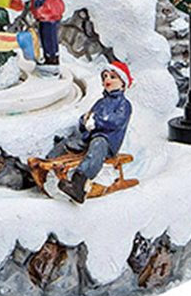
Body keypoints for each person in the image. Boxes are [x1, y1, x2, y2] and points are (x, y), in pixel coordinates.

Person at [47, 61, 133, 204]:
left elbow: (115, 122)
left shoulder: (124, 104)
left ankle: (79, 184)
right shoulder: (100, 102)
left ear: (123, 84)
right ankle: (46, 163)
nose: (107, 79)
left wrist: (96, 122)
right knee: (70, 142)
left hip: (107, 141)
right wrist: (85, 121)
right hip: (90, 138)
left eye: (113, 77)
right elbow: (89, 116)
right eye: (105, 76)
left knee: (98, 144)